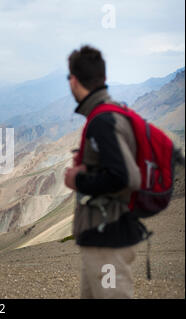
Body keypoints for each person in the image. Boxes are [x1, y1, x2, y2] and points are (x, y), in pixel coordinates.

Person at [64, 45, 146, 298]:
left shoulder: (102, 122)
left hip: (107, 239)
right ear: (104, 79)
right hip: (100, 238)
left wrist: (78, 178)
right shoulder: (108, 115)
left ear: (74, 81)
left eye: (69, 79)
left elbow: (124, 176)